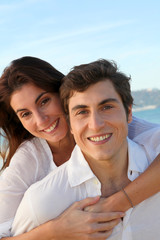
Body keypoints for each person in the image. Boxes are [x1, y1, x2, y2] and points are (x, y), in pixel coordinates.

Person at [0, 56, 160, 240]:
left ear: (61, 94)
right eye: (26, 114)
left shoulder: (119, 125)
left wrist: (114, 205)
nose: (41, 120)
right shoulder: (30, 163)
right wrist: (56, 230)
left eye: (44, 101)